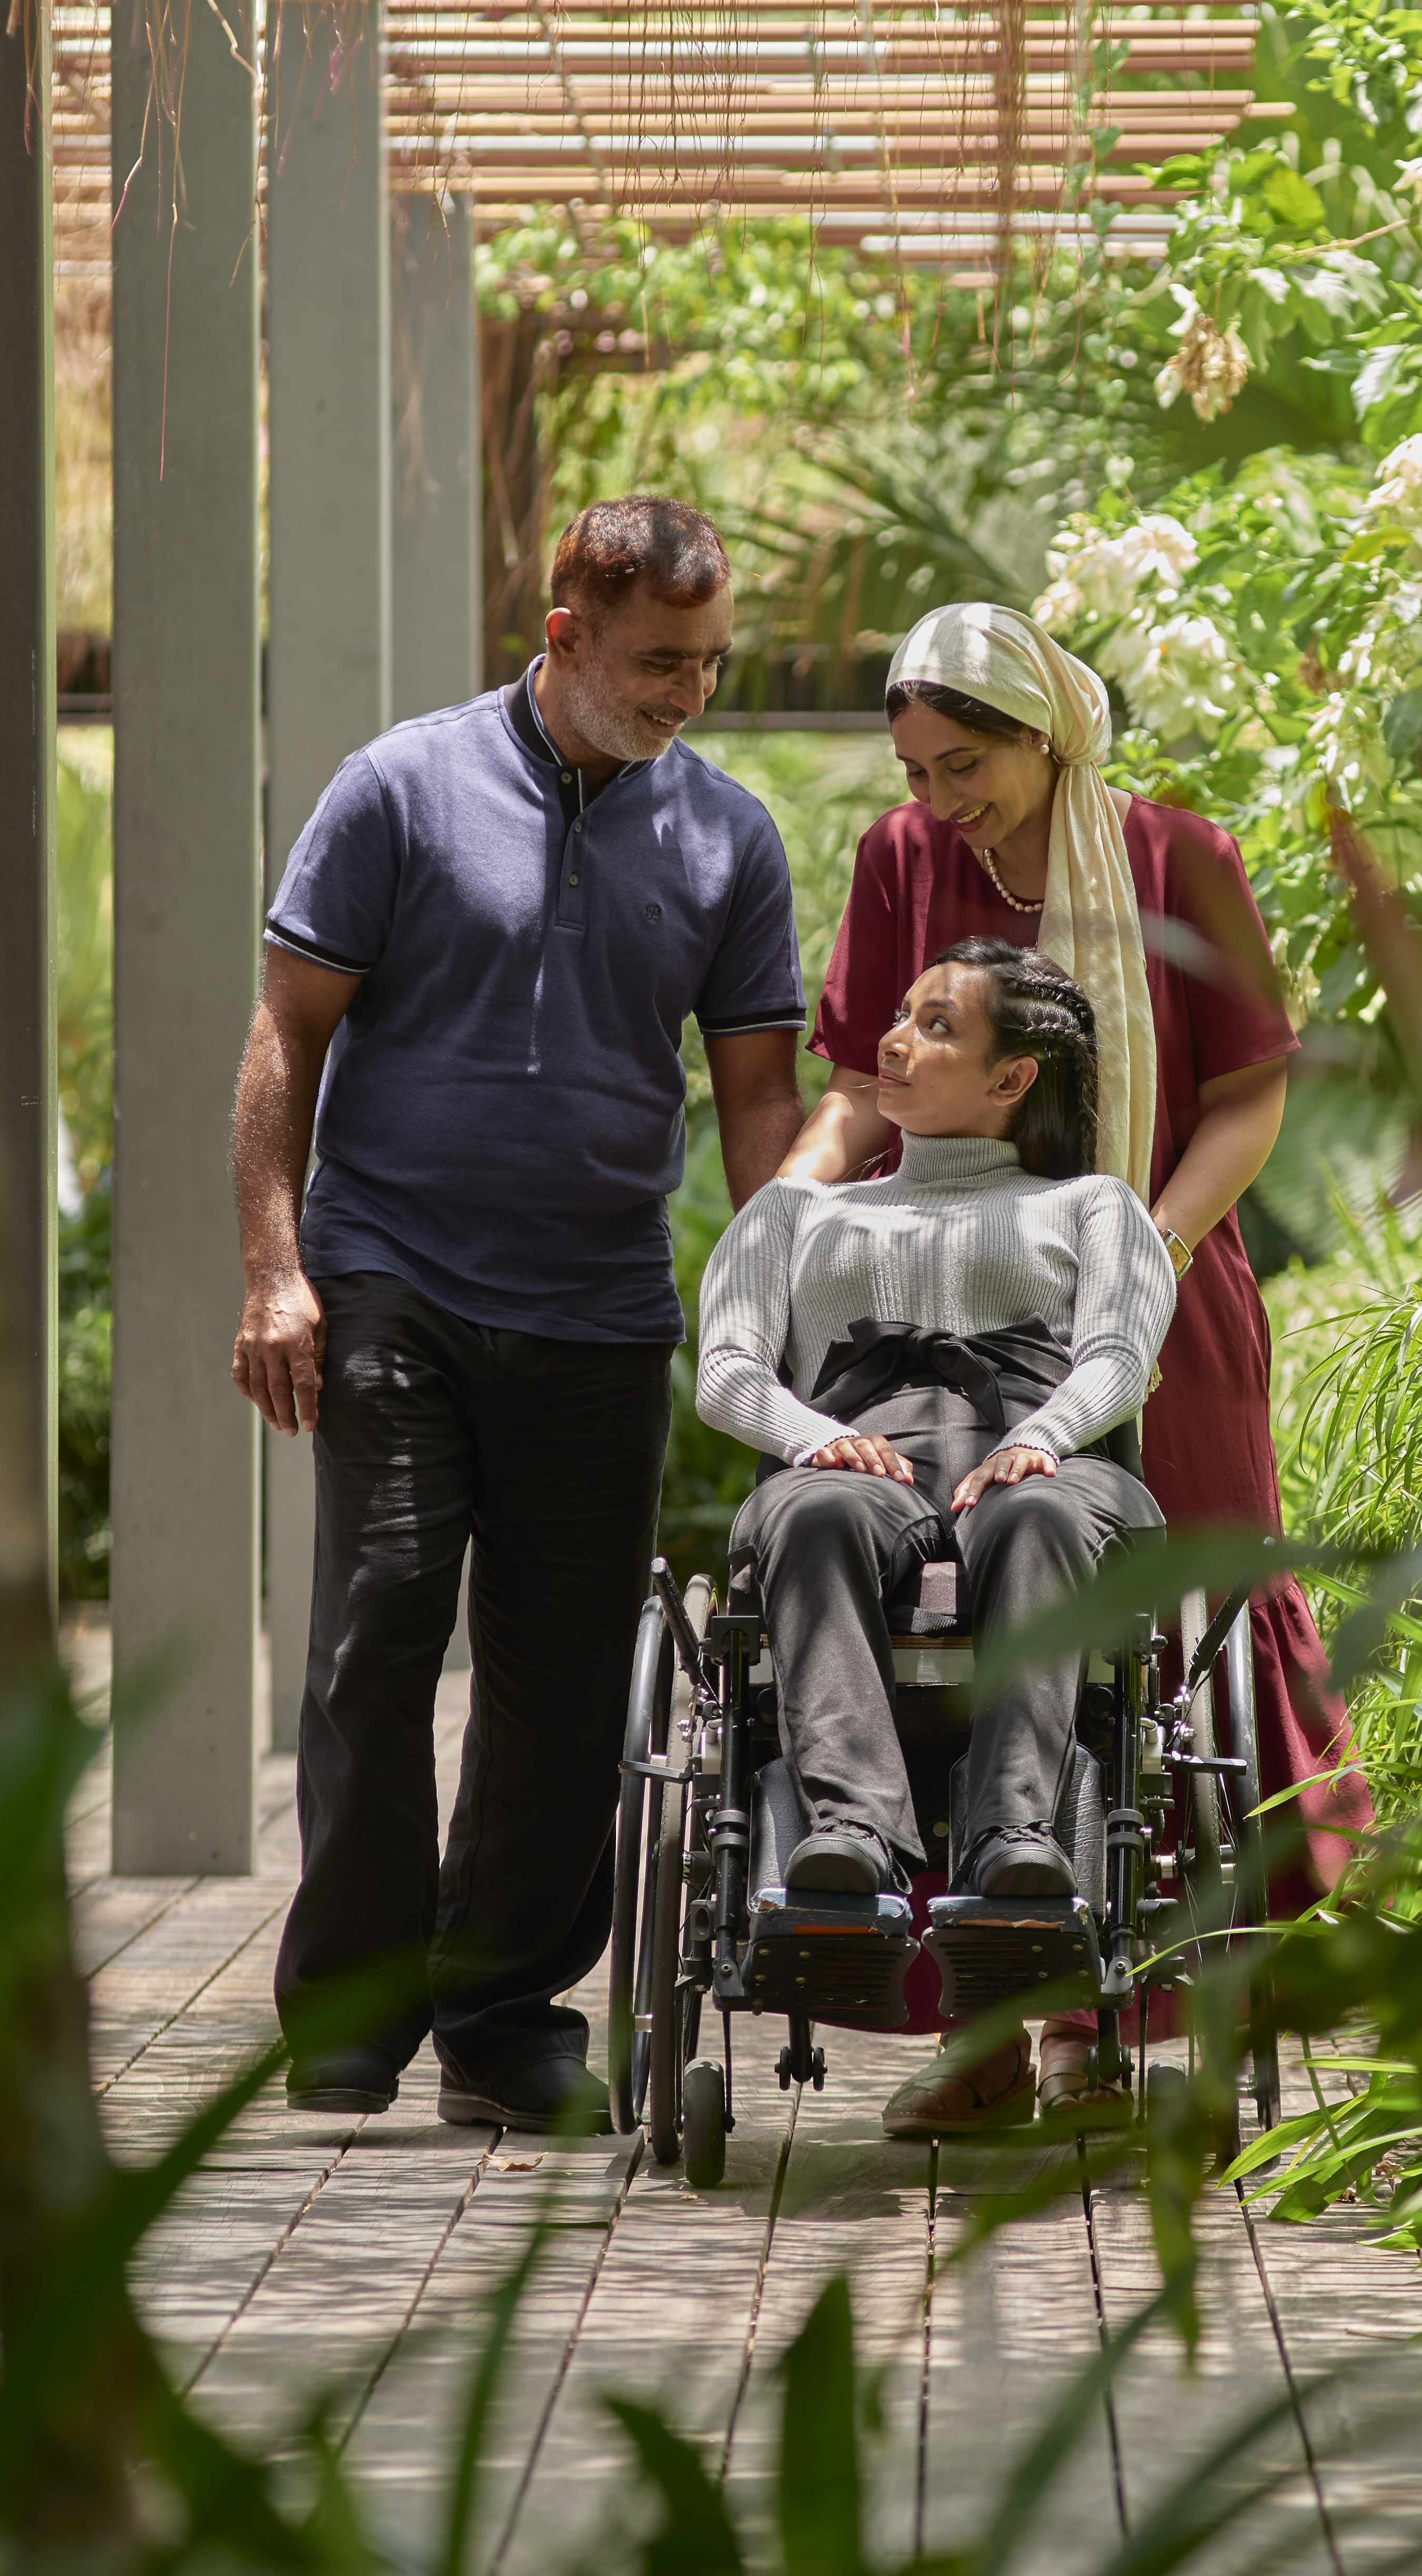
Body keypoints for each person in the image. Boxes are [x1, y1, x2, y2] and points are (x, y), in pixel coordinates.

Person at [233, 497, 809, 2134]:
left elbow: (759, 1101)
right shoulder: (401, 788)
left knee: (561, 1675)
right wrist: (277, 1266)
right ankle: (350, 2012)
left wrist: (780, 1301)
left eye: (707, 662)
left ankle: (499, 2020)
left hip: (603, 1304)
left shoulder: (729, 838)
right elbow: (289, 1036)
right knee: (382, 1621)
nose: (687, 692)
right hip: (395, 1277)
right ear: (562, 633)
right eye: (656, 662)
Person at [780, 601, 1372, 2129]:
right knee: (957, 1617)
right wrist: (798, 1195)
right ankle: (982, 2023)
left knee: (1180, 1640)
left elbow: (1245, 1101)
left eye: (963, 763)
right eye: (915, 767)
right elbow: (862, 1084)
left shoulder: (1185, 862)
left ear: (1049, 736)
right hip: (946, 1300)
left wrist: (1143, 1255)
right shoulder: (904, 865)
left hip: (1164, 1294)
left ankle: (1105, 2021)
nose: (936, 799)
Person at [700, 942, 1170, 2139]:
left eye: (934, 1027)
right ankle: (848, 1835)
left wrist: (1049, 1437)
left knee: (1037, 1510)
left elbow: (1119, 1355)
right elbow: (724, 1371)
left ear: (1012, 1078)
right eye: (897, 1019)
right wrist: (811, 1440)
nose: (892, 1043)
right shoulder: (799, 1212)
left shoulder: (1090, 1207)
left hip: (1046, 1459)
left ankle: (1021, 1841)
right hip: (856, 1457)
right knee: (806, 1513)